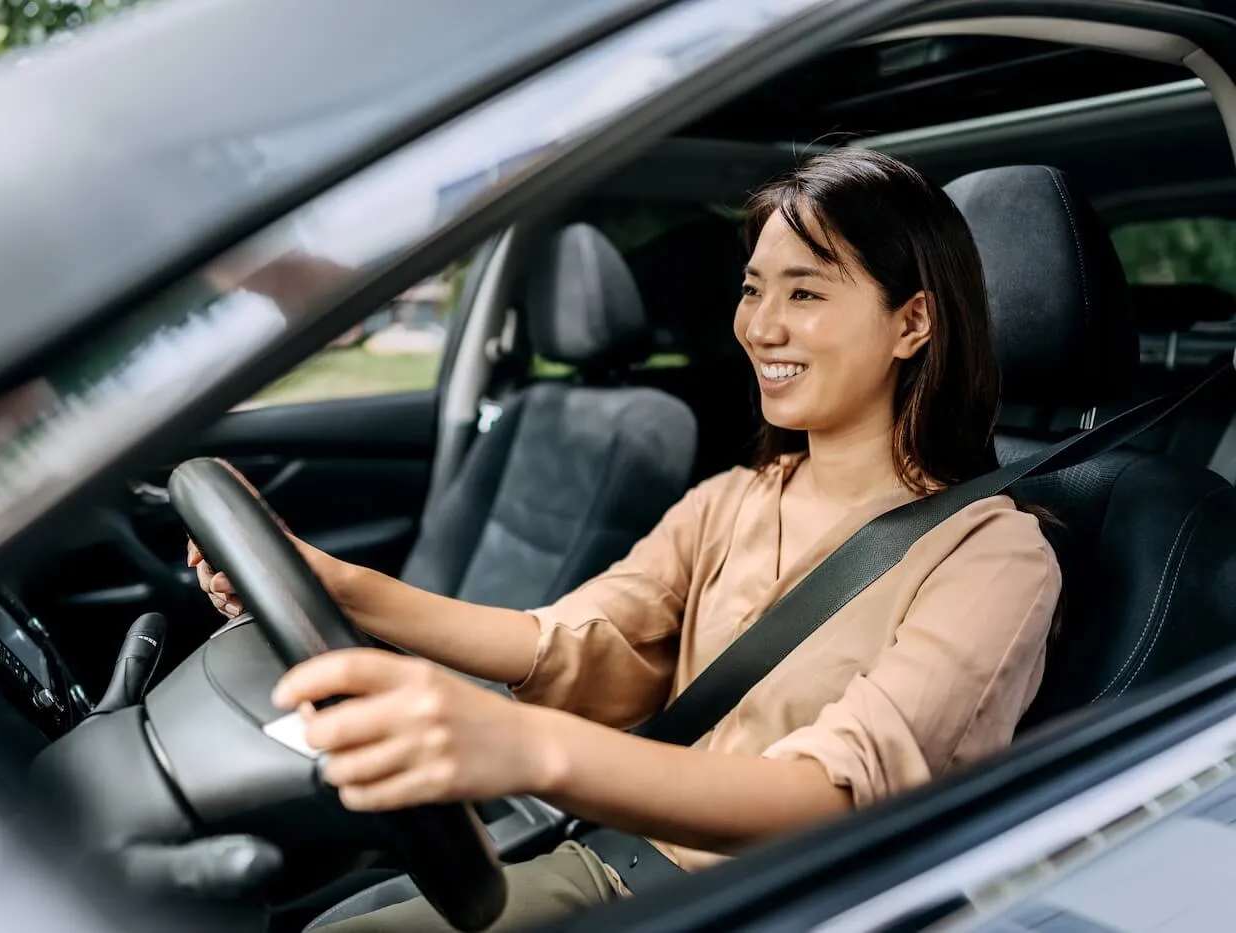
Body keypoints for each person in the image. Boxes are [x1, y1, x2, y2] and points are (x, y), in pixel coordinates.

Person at [187, 148, 1062, 931]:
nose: (759, 326)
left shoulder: (992, 557)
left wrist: (521, 746)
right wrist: (334, 582)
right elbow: (568, 638)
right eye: (754, 287)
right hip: (621, 855)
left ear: (913, 323)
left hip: (775, 902)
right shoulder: (732, 498)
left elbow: (831, 798)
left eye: (806, 291)